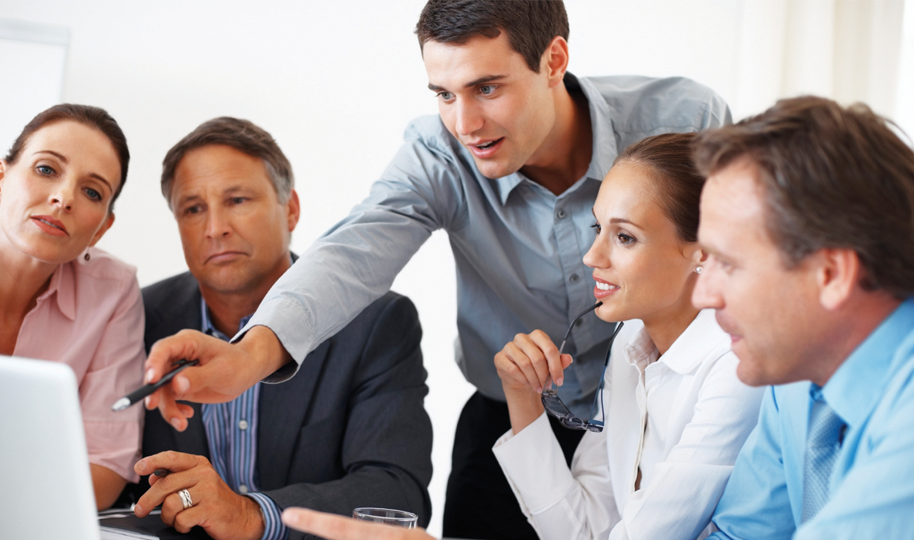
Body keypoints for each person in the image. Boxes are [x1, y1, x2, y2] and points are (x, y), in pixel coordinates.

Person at [142, 2, 730, 537]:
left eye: (487, 87)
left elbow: (747, 254)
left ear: (554, 59)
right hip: (512, 414)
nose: (465, 123)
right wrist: (251, 355)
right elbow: (354, 251)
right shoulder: (438, 154)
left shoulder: (684, 119)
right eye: (444, 94)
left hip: (671, 403)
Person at [122, 117, 433, 540]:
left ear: (290, 209)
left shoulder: (375, 323)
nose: (215, 228)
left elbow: (397, 496)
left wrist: (251, 515)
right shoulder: (138, 316)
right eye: (193, 209)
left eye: (237, 200)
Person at [490, 133, 763, 540]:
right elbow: (580, 531)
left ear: (704, 250)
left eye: (625, 237)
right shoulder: (630, 341)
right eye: (598, 227)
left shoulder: (737, 366)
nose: (592, 257)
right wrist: (522, 396)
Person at [689, 97, 914, 538]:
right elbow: (741, 534)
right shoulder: (797, 373)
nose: (702, 295)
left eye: (727, 263)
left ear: (831, 274)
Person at [0, 104, 144, 510]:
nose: (63, 198)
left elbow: (105, 465)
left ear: (101, 228)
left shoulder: (114, 292)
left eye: (92, 192)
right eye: (46, 169)